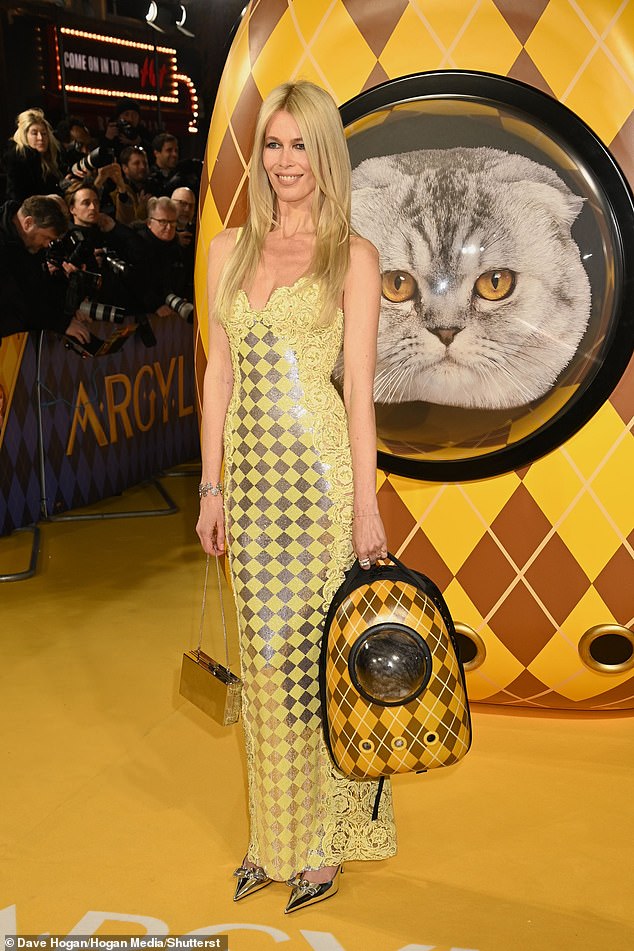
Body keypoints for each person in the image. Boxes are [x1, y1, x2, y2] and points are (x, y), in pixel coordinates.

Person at [195, 80, 396, 914]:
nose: (284, 163)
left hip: (317, 480)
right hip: (248, 483)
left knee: (317, 666)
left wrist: (366, 504)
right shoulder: (228, 250)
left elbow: (359, 391)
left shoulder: (353, 255)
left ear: (324, 155)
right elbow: (218, 374)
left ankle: (320, 845)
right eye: (272, 146)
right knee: (266, 665)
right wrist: (208, 486)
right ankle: (270, 841)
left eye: (299, 146)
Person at [0, 194, 89, 342]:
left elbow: (38, 291)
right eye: (47, 238)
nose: (47, 245)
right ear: (28, 223)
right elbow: (16, 300)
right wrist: (59, 323)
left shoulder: (30, 245)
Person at [4, 109, 63, 204]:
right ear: (25, 135)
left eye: (44, 133)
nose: (40, 138)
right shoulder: (18, 161)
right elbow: (17, 198)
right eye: (34, 133)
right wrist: (47, 199)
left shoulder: (52, 159)